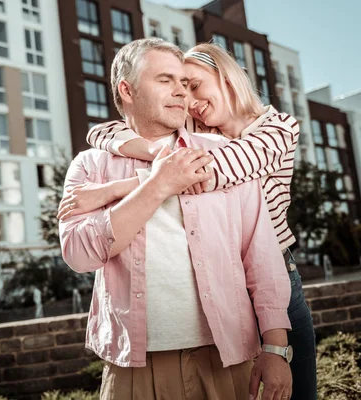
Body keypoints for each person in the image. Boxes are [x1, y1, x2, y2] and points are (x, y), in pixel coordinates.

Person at [59, 42, 317, 399]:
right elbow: (78, 255)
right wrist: (155, 170)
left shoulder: (240, 146)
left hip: (235, 340)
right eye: (168, 80)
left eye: (189, 82)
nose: (183, 93)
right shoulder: (91, 164)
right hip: (134, 363)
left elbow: (260, 256)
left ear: (226, 79)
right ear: (126, 89)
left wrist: (274, 348)